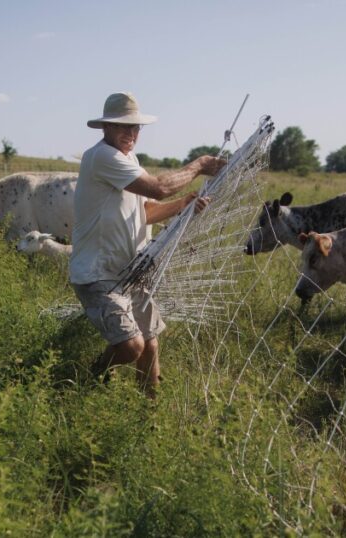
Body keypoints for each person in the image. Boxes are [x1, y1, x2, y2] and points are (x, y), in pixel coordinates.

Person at [70, 92, 226, 398]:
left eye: (136, 128)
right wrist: (200, 164)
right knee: (131, 346)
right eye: (123, 127)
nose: (131, 134)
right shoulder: (101, 156)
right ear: (105, 128)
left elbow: (145, 212)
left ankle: (148, 410)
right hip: (97, 274)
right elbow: (158, 187)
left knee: (150, 343)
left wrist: (183, 205)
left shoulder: (129, 159)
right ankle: (92, 379)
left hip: (130, 271)